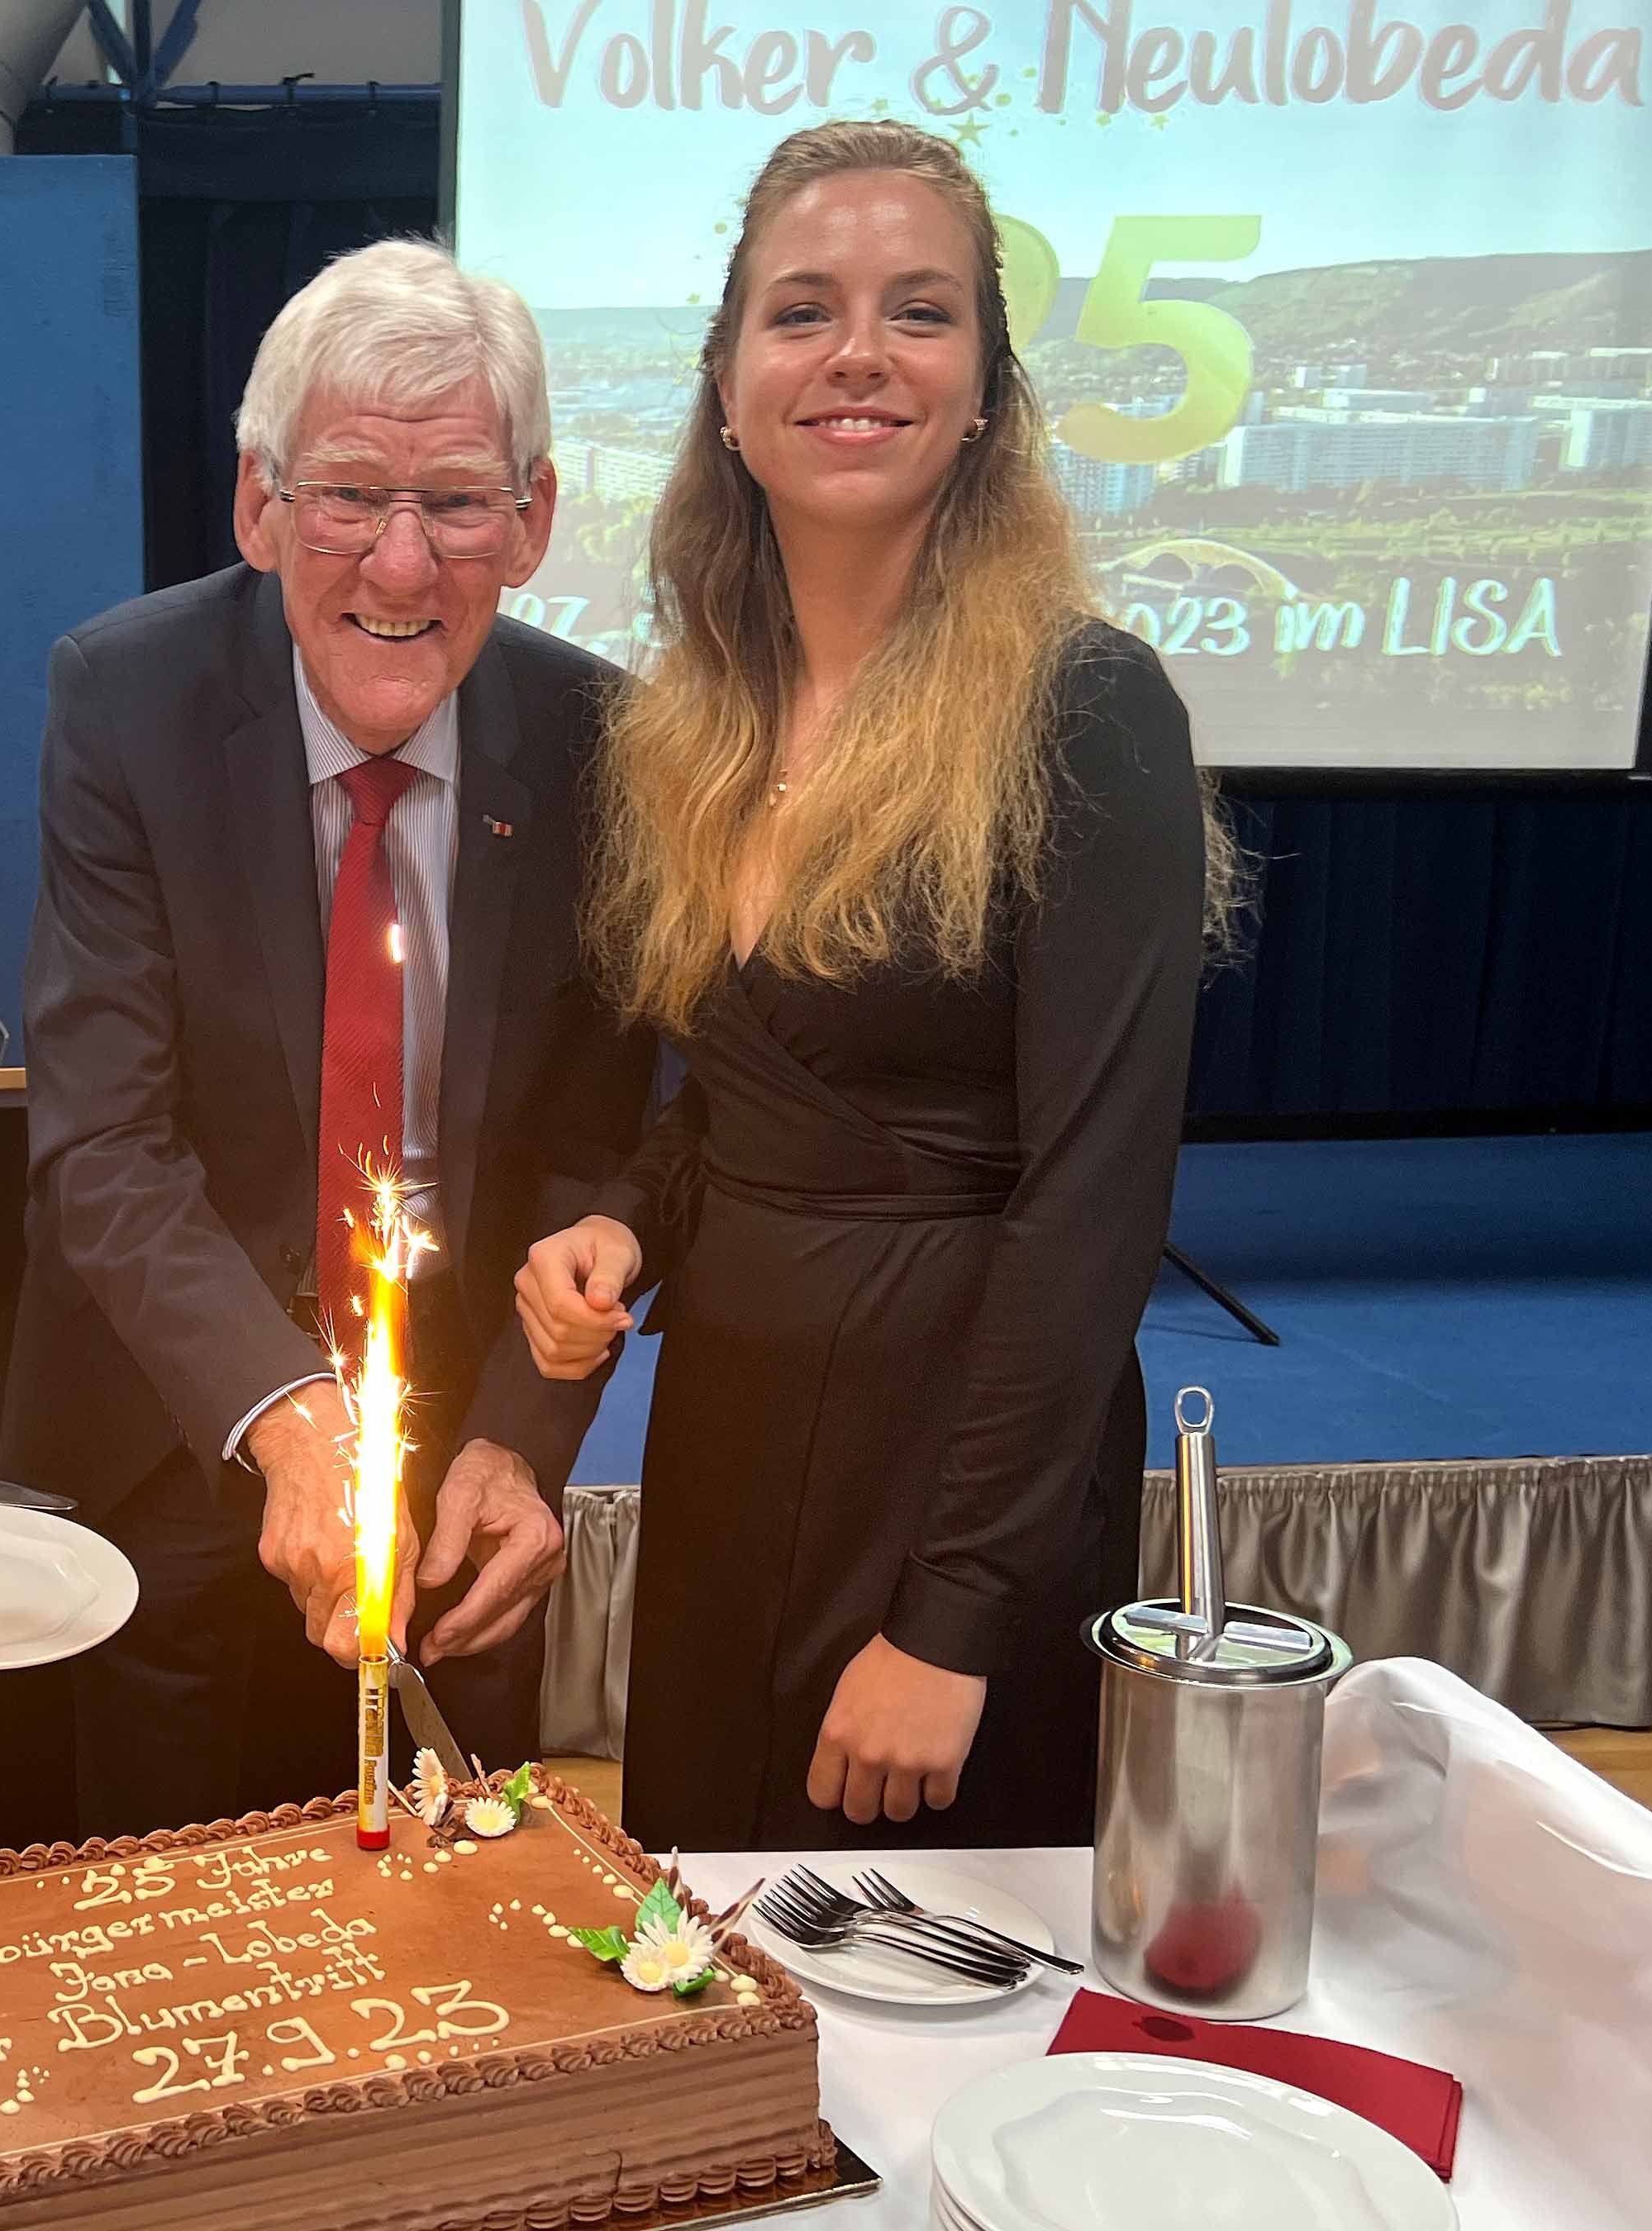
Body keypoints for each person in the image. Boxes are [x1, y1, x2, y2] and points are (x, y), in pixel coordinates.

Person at [514, 123, 1232, 1852]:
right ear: (729, 384)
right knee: (725, 1961)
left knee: (936, 1995)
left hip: (959, 1470)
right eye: (801, 311)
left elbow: (1094, 1204)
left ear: (986, 390)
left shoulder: (1086, 711)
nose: (856, 353)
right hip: (727, 1452)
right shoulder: (687, 718)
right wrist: (628, 1220)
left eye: (918, 313)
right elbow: (745, 1100)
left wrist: (953, 1616)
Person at [3, 240, 655, 1839]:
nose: (404, 561)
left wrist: (517, 1430)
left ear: (536, 517)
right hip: (174, 1422)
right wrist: (292, 1415)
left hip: (460, 1451)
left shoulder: (606, 746)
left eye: (456, 500)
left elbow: (604, 1141)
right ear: (259, 506)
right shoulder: (126, 699)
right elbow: (106, 1136)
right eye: (351, 495)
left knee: (434, 1904)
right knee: (157, 1906)